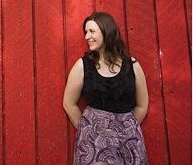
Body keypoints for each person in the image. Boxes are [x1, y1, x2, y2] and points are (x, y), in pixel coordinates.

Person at [63, 11, 150, 165]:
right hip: (94, 143)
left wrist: (126, 128)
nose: (87, 37)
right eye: (86, 32)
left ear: (107, 31)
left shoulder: (132, 65)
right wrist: (88, 129)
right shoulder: (83, 66)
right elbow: (69, 103)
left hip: (129, 141)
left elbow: (142, 105)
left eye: (92, 31)